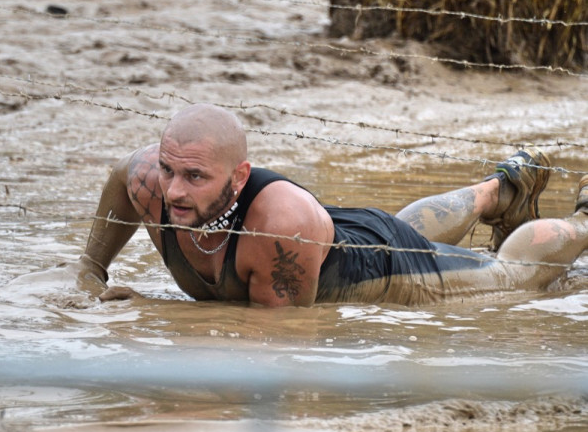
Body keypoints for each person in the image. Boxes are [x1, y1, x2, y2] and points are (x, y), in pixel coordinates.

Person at [78, 103, 588, 307]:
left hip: (382, 268)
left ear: (239, 177)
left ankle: (582, 218)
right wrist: (89, 271)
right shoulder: (147, 178)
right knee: (401, 225)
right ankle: (499, 190)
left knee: (510, 273)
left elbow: (274, 340)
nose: (174, 192)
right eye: (169, 170)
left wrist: (157, 314)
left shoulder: (279, 229)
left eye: (195, 177)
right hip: (338, 233)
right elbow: (126, 178)